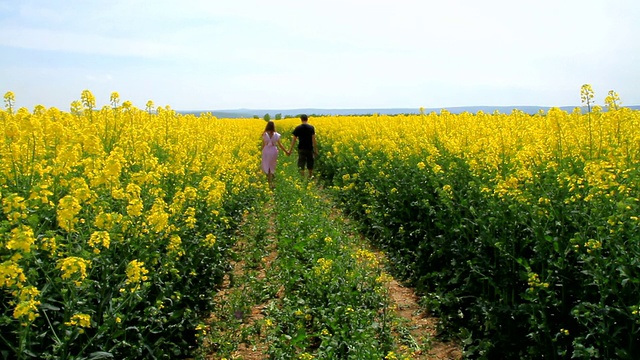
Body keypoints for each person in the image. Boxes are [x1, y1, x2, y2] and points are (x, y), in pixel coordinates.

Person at [261, 121, 289, 189]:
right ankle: (271, 179)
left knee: (266, 164)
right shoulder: (276, 135)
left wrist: (261, 152)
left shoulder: (264, 134)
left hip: (266, 150)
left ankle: (268, 180)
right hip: (273, 150)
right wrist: (286, 151)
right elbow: (280, 144)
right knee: (272, 165)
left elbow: (263, 144)